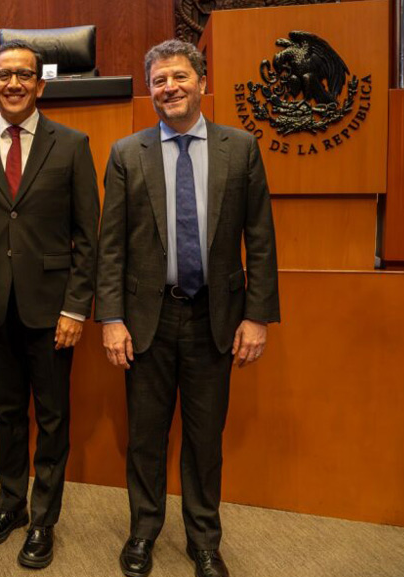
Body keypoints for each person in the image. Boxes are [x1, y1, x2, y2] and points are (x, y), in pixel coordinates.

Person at [96, 39, 280, 577]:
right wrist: (110, 318)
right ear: (149, 90)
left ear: (202, 82)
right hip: (146, 320)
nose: (169, 87)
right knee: (146, 437)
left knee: (205, 438)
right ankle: (143, 533)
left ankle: (204, 540)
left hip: (214, 319)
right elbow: (111, 247)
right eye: (158, 81)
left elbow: (261, 238)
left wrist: (257, 315)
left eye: (179, 77)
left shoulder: (239, 148)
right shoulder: (128, 154)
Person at [0, 40, 100, 569]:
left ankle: (43, 520)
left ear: (41, 85)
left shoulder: (73, 144)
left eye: (24, 75)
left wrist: (77, 308)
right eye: (4, 75)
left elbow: (89, 235)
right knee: (7, 414)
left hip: (53, 309)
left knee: (53, 418)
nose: (13, 84)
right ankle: (10, 505)